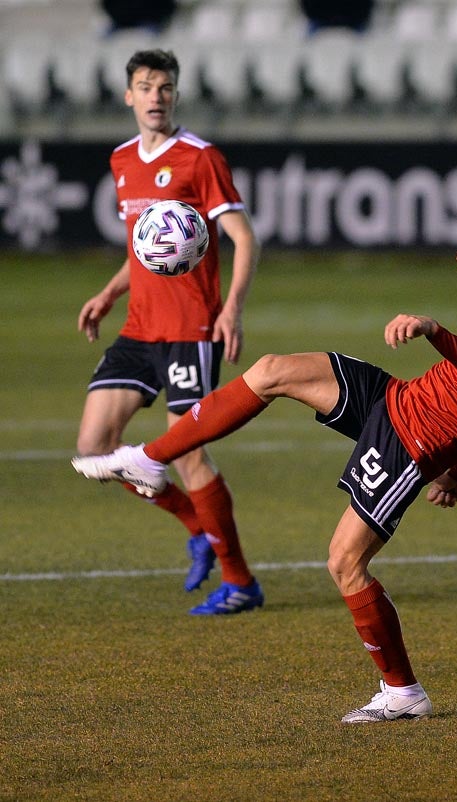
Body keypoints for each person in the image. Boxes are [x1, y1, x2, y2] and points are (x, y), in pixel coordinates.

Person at [74, 208, 457, 723]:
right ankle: (148, 459)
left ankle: (403, 693)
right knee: (271, 371)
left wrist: (433, 331)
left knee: (345, 563)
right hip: (400, 399)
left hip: (410, 440)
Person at [75, 49, 262, 615]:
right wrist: (110, 292)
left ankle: (240, 584)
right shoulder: (122, 160)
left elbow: (244, 237)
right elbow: (147, 248)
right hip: (139, 329)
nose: (156, 95)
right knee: (93, 451)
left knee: (190, 459)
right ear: (128, 96)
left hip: (190, 329)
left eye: (165, 86)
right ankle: (194, 526)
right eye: (144, 86)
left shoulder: (200, 158)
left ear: (176, 94)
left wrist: (231, 309)